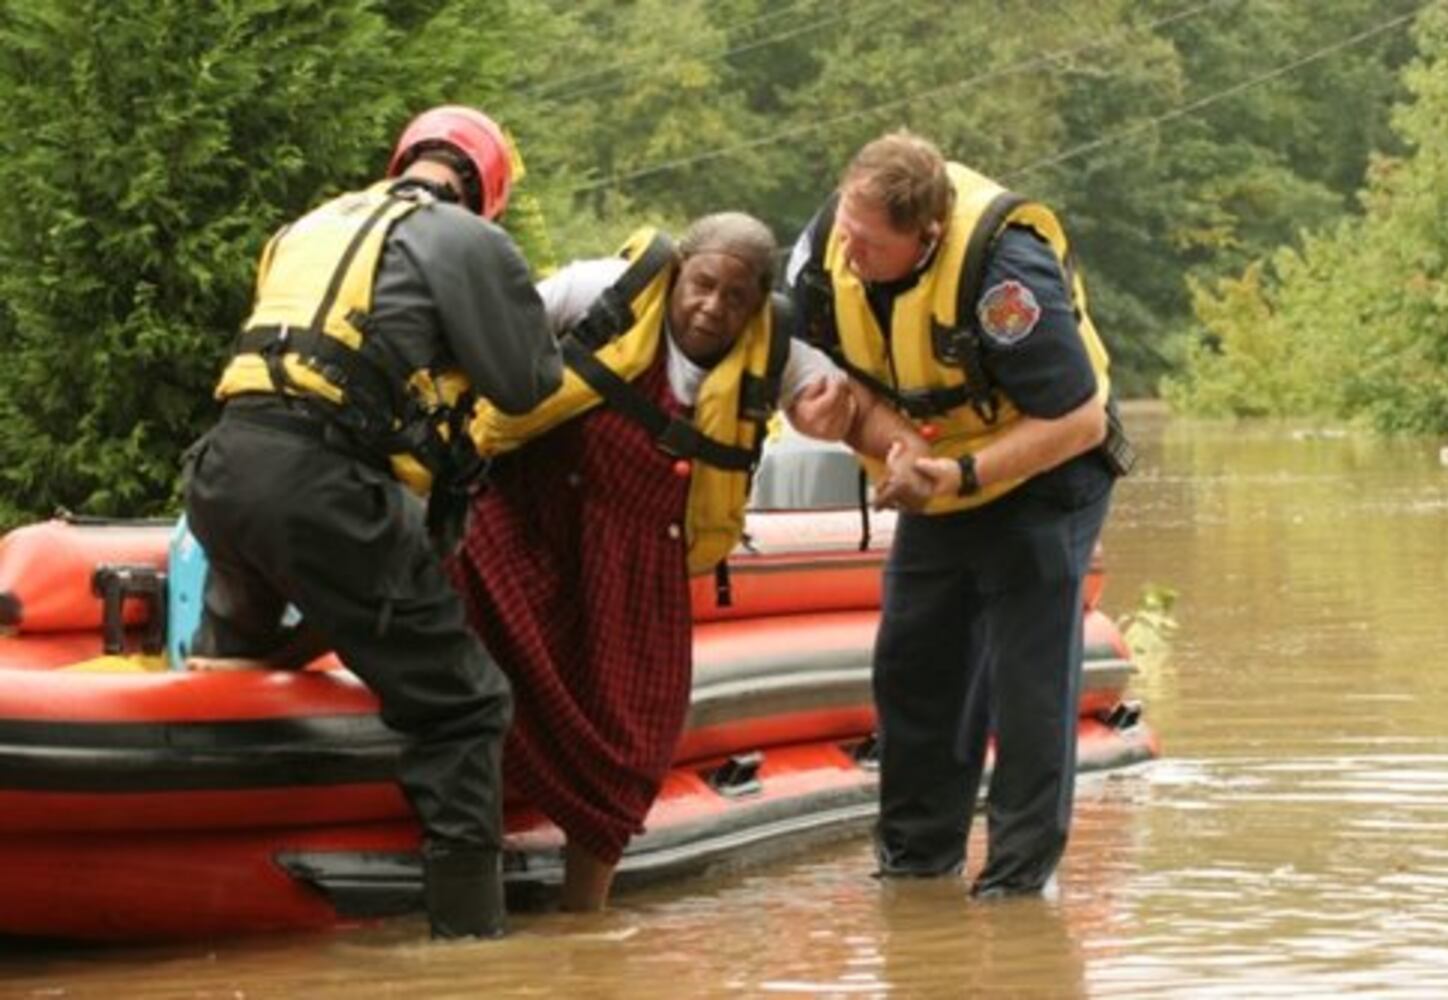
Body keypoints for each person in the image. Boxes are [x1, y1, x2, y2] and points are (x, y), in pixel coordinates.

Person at [452, 212, 915, 911]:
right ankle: (470, 875)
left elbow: (844, 410)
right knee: (474, 659)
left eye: (735, 297)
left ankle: (586, 924)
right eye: (701, 285)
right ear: (677, 273)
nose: (712, 308)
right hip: (532, 517)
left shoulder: (775, 346)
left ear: (757, 302)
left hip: (642, 552)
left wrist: (888, 443)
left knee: (633, 739)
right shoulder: (599, 290)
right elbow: (487, 331)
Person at [183, 105, 562, 939]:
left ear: (406, 158)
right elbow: (527, 384)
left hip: (222, 471)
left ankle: (210, 891)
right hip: (319, 492)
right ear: (486, 189)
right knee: (464, 706)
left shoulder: (308, 224)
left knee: (239, 661)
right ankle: (471, 949)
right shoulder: (468, 239)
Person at [786, 129, 1132, 899]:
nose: (850, 253)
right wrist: (888, 442)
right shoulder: (824, 251)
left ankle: (1015, 886)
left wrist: (959, 474)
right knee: (913, 665)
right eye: (847, 230)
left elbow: (1077, 419)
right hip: (936, 473)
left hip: (1045, 473)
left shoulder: (1004, 277)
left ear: (927, 237)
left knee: (1026, 683)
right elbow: (821, 378)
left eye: (870, 244)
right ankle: (915, 869)